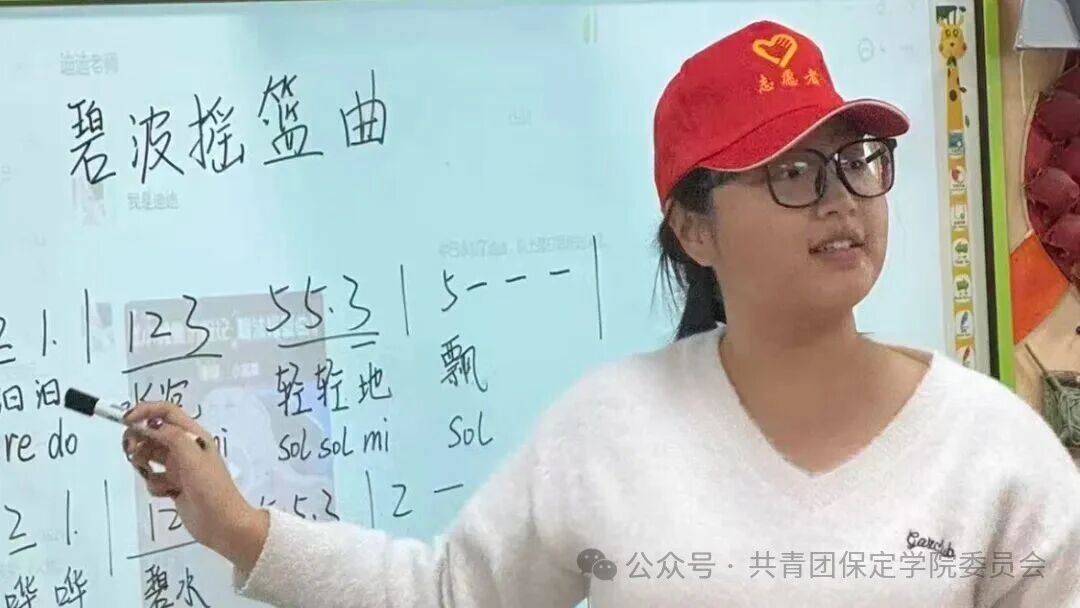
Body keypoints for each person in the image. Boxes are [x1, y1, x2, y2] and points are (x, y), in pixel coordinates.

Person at [121, 20, 1080, 607]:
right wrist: (239, 527)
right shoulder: (612, 428)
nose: (840, 198)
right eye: (791, 171)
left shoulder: (994, 452)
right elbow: (454, 595)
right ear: (694, 229)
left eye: (857, 160)